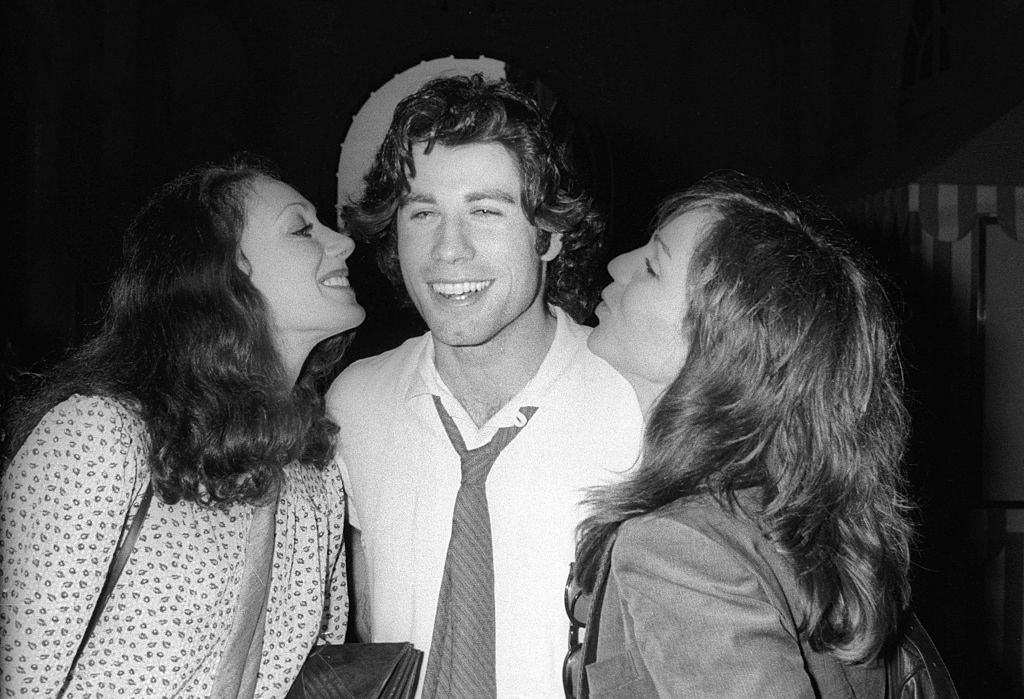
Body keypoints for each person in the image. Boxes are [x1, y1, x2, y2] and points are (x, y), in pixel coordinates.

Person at [327, 74, 643, 698]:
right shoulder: (353, 404)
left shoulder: (634, 402)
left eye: (485, 211)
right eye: (423, 214)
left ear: (548, 233)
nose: (449, 250)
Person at [0, 156, 362, 697]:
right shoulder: (95, 438)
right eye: (302, 228)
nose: (345, 243)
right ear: (221, 273)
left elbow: (311, 672)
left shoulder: (315, 470)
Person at [572, 172, 914, 697]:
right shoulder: (795, 518)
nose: (618, 264)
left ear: (718, 348)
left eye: (651, 267)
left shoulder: (678, 545)